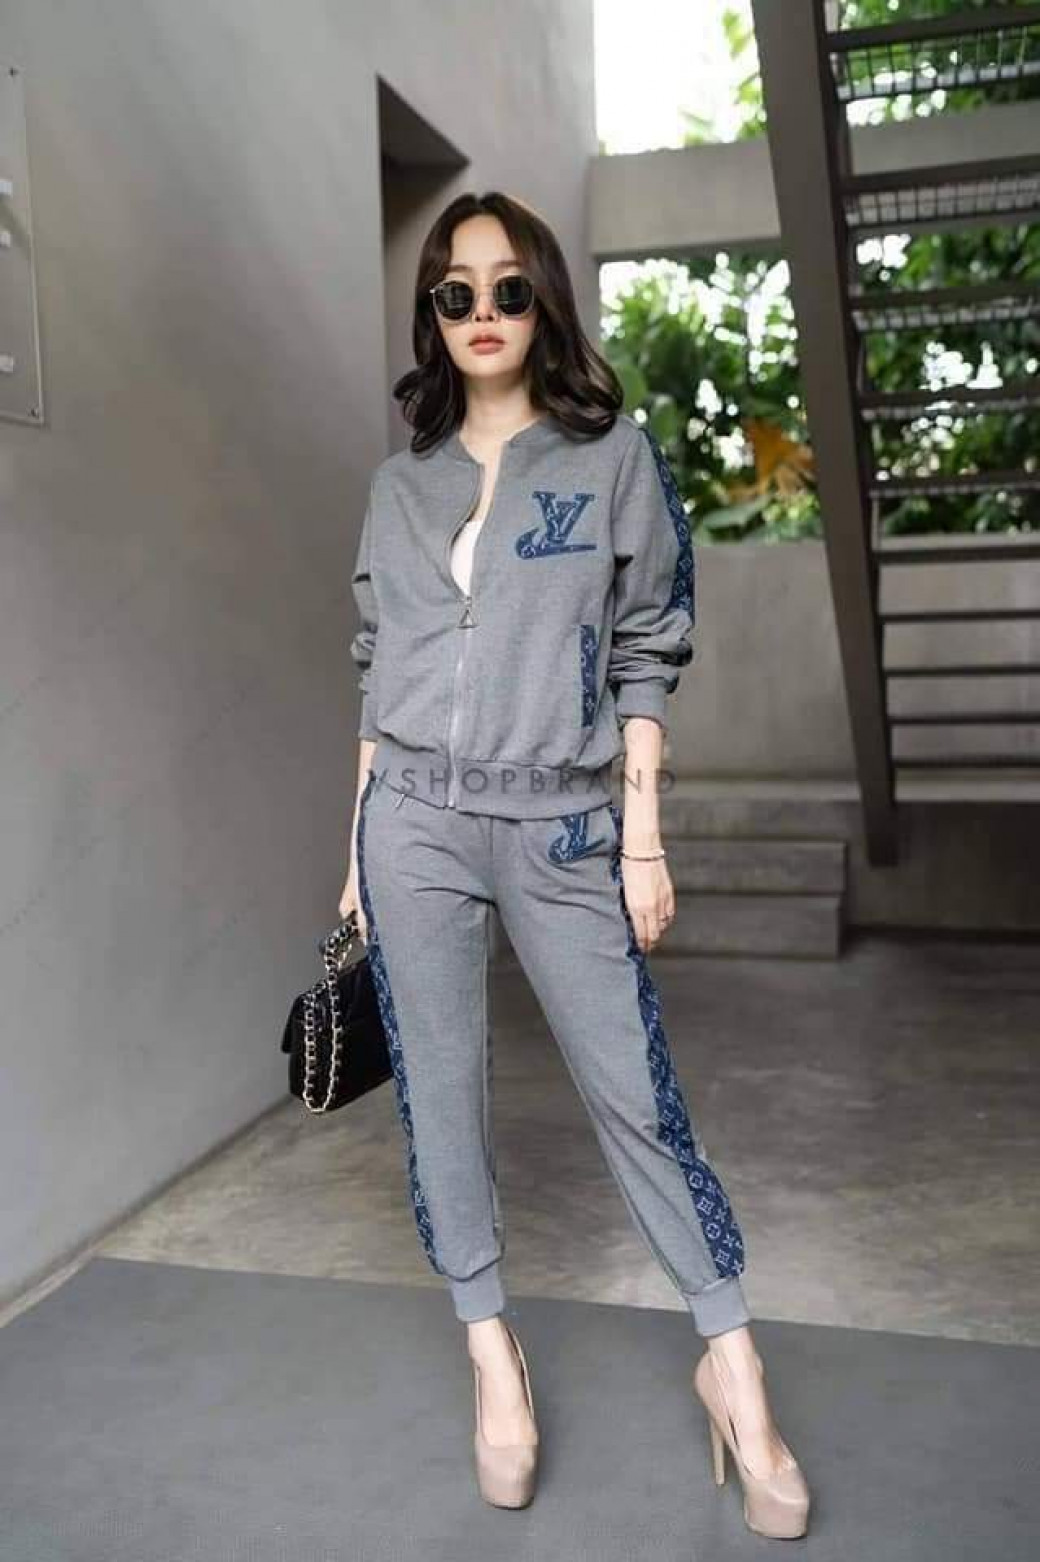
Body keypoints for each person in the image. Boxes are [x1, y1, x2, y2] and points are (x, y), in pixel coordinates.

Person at [338, 189, 810, 1537]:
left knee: (635, 1098)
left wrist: (641, 834)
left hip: (561, 823)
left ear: (543, 300)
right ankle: (493, 1353)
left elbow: (650, 644)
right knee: (441, 1095)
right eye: (456, 293)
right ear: (434, 316)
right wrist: (353, 857)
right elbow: (378, 674)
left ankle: (733, 1366)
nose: (483, 312)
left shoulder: (613, 458)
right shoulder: (400, 486)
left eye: (508, 288)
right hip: (411, 820)